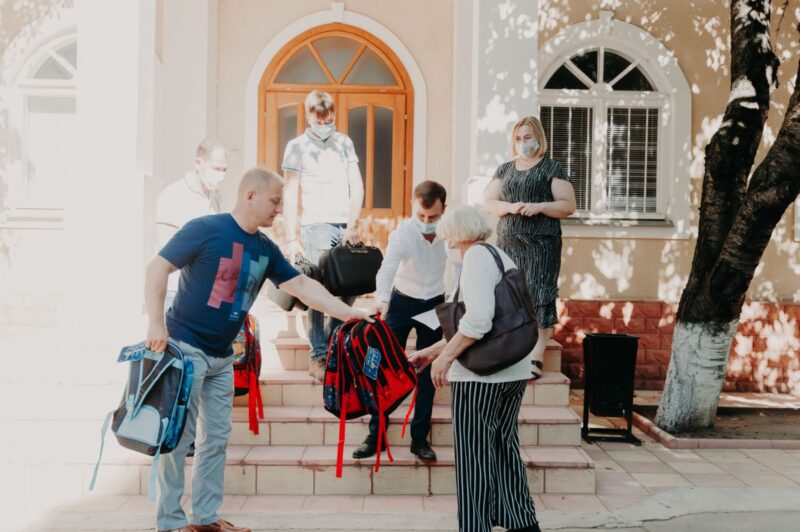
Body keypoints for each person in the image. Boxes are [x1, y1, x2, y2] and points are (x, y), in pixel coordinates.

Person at [145, 167, 370, 532]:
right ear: (250, 194)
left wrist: (348, 313)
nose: (280, 210)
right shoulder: (205, 229)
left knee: (215, 440)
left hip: (223, 357)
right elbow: (157, 268)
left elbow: (301, 286)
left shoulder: (265, 248)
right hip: (185, 349)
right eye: (276, 201)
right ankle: (169, 522)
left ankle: (205, 518)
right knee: (179, 437)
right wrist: (155, 322)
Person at [409, 205, 541, 532]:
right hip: (512, 371)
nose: (446, 240)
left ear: (457, 234)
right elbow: (481, 324)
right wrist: (431, 352)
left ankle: (475, 527)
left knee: (474, 457)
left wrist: (445, 359)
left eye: (447, 234)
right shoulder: (498, 256)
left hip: (481, 378)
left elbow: (479, 320)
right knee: (504, 449)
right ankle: (523, 524)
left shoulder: (476, 259)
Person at [352, 181, 450, 462]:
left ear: (444, 210)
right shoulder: (403, 234)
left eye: (433, 216)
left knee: (428, 374)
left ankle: (419, 438)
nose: (427, 222)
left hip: (434, 303)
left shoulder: (449, 233)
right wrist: (383, 299)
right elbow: (387, 269)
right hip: (401, 302)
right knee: (385, 368)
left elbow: (459, 268)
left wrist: (455, 305)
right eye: (421, 215)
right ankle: (376, 435)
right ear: (413, 207)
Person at [484, 116, 576, 379]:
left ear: (538, 138)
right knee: (510, 293)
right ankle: (511, 348)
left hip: (541, 245)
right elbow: (490, 202)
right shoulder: (505, 169)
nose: (523, 143)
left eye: (527, 137)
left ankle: (537, 353)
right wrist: (510, 207)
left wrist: (540, 207)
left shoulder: (551, 168)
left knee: (538, 293)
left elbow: (568, 205)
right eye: (518, 139)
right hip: (509, 243)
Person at [282, 90, 364, 382]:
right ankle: (318, 354)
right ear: (307, 117)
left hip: (345, 225)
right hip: (315, 225)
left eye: (329, 121)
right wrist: (291, 238)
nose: (324, 126)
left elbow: (356, 184)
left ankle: (331, 340)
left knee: (353, 284)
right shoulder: (296, 147)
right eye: (319, 122)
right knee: (317, 288)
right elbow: (290, 192)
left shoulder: (344, 143)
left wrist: (353, 223)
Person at [156, 138, 229, 309]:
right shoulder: (174, 195)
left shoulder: (215, 198)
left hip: (204, 292)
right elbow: (166, 248)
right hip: (175, 292)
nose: (221, 175)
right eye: (216, 168)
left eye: (225, 170)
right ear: (198, 163)